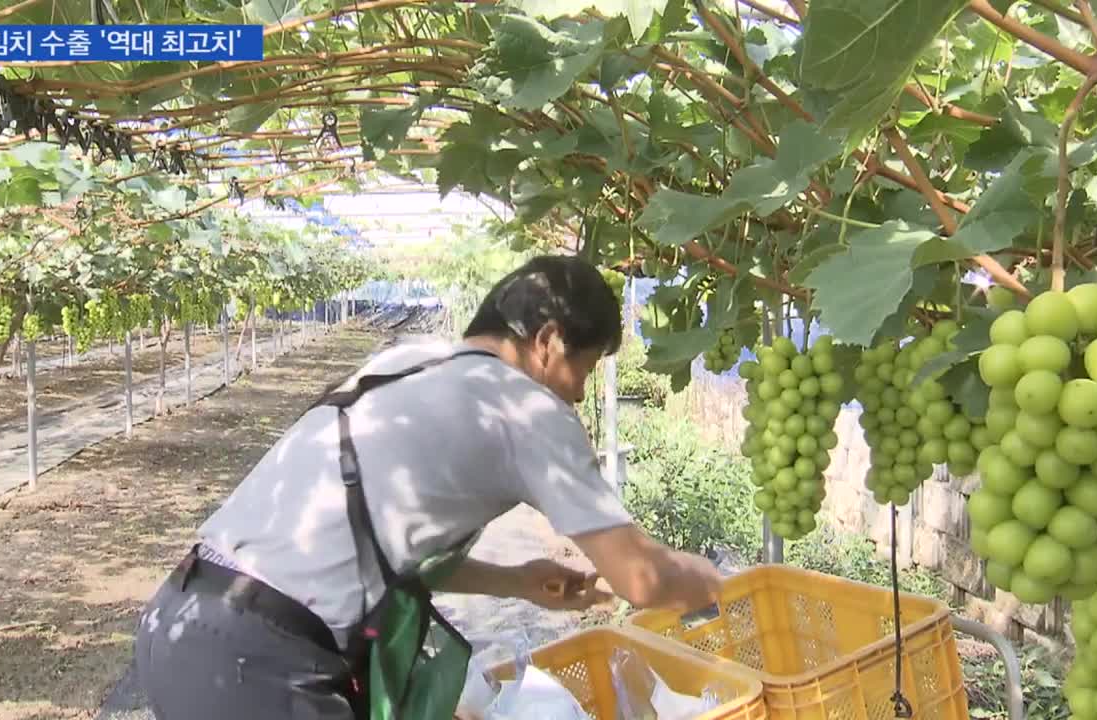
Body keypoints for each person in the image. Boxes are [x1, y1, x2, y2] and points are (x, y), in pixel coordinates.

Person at [132, 254, 724, 720]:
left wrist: (515, 582)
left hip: (180, 622)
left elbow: (372, 542)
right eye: (585, 370)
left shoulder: (403, 362)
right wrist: (717, 584)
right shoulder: (529, 409)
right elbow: (640, 579)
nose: (578, 393)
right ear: (547, 341)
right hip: (261, 663)